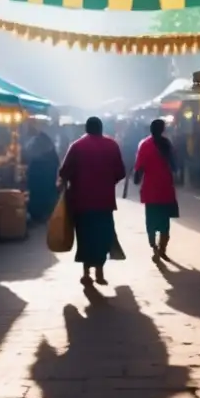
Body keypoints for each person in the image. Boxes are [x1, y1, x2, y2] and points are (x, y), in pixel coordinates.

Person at [59, 117, 126, 286]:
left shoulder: (76, 146)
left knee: (85, 237)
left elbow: (64, 172)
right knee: (102, 236)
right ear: (101, 128)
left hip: (81, 202)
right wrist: (107, 182)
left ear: (86, 129)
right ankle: (100, 272)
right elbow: (121, 172)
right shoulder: (112, 145)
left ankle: (86, 272)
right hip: (105, 202)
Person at [134, 119, 180, 261]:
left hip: (150, 188)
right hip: (165, 187)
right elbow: (174, 166)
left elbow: (139, 167)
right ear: (163, 130)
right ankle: (162, 248)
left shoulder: (145, 145)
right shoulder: (167, 144)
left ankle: (153, 244)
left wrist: (137, 178)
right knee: (165, 221)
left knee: (151, 219)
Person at [23, 125, 60, 223]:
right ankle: (44, 214)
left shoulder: (37, 142)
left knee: (38, 194)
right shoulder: (46, 141)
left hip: (40, 174)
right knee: (45, 194)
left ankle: (39, 215)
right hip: (47, 175)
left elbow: (30, 153)